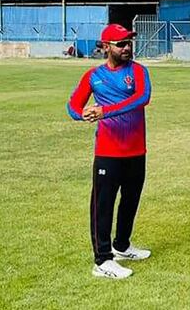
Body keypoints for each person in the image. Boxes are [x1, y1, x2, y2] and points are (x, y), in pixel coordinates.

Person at [67, 24, 152, 279]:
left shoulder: (138, 71)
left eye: (129, 43)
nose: (127, 48)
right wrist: (83, 114)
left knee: (130, 201)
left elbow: (142, 98)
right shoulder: (93, 76)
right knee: (103, 205)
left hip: (136, 150)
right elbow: (72, 105)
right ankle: (102, 260)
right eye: (121, 44)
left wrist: (105, 110)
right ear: (106, 47)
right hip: (108, 152)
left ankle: (122, 246)